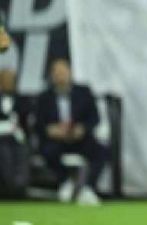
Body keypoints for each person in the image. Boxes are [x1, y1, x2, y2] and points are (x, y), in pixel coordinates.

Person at [35, 59, 105, 205]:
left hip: (80, 139)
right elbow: (38, 124)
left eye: (63, 72)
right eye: (57, 73)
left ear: (70, 73)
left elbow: (95, 118)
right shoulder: (44, 97)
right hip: (56, 140)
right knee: (47, 151)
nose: (61, 76)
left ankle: (88, 187)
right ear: (52, 76)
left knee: (101, 151)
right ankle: (66, 182)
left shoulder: (84, 92)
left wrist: (82, 128)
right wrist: (51, 130)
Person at [0, 68, 28, 197]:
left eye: (11, 80)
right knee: (4, 154)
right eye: (5, 80)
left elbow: (26, 122)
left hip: (17, 137)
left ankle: (20, 188)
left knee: (22, 151)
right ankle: (8, 188)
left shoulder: (22, 100)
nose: (8, 83)